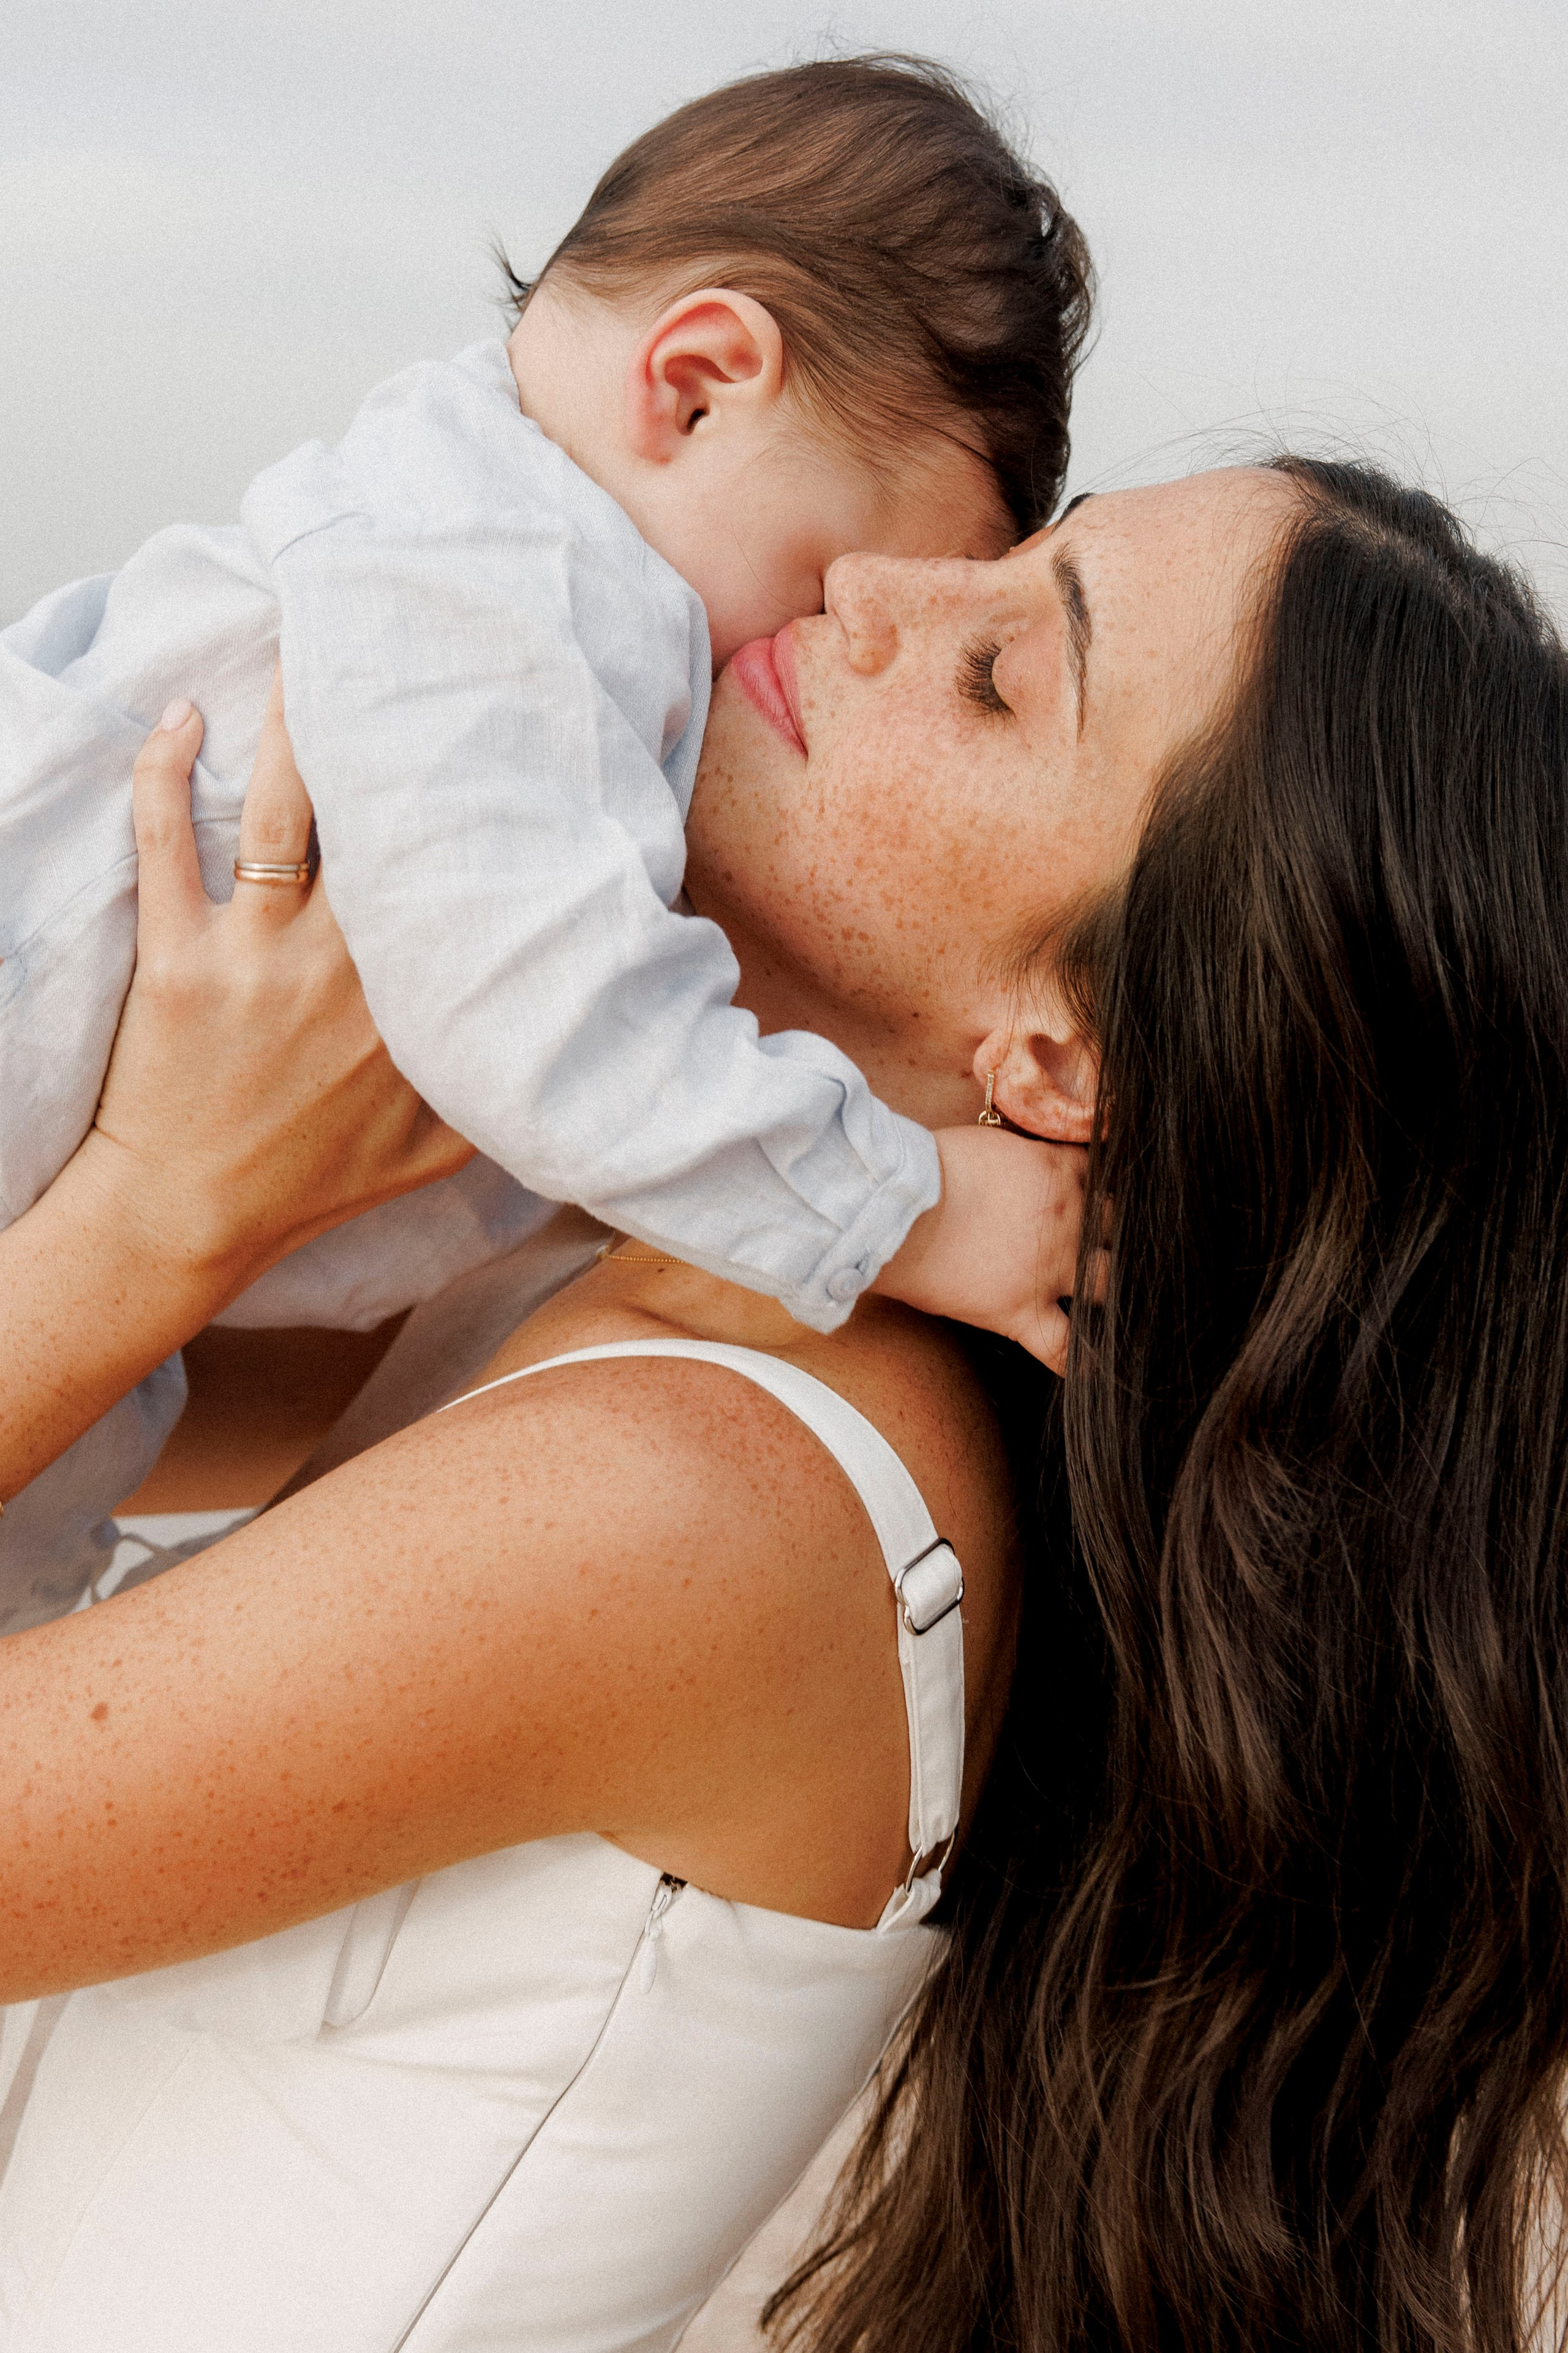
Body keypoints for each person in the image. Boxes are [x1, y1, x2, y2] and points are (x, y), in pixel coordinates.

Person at [6, 455, 1559, 2353]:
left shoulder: (720, 1501)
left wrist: (157, 1216)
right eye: (1009, 555)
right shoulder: (660, 1277)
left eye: (1001, 677)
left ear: (1058, 1056)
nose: (879, 583)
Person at [0, 55, 1093, 1618]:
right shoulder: (511, 568)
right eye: (819, 585)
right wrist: (906, 1203)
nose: (828, 646)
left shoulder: (494, 559)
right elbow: (533, 1007)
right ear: (697, 383)